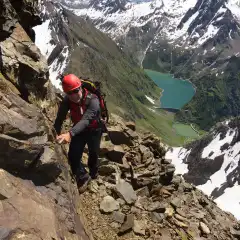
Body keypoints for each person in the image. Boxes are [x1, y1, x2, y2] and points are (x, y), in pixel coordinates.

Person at [53, 74, 102, 193]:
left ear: (81, 88)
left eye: (76, 91)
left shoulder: (93, 100)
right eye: (70, 93)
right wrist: (54, 132)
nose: (74, 95)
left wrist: (70, 134)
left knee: (93, 154)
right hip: (78, 130)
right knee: (73, 156)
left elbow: (86, 120)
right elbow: (60, 118)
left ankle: (94, 174)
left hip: (94, 130)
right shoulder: (67, 101)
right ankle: (84, 176)